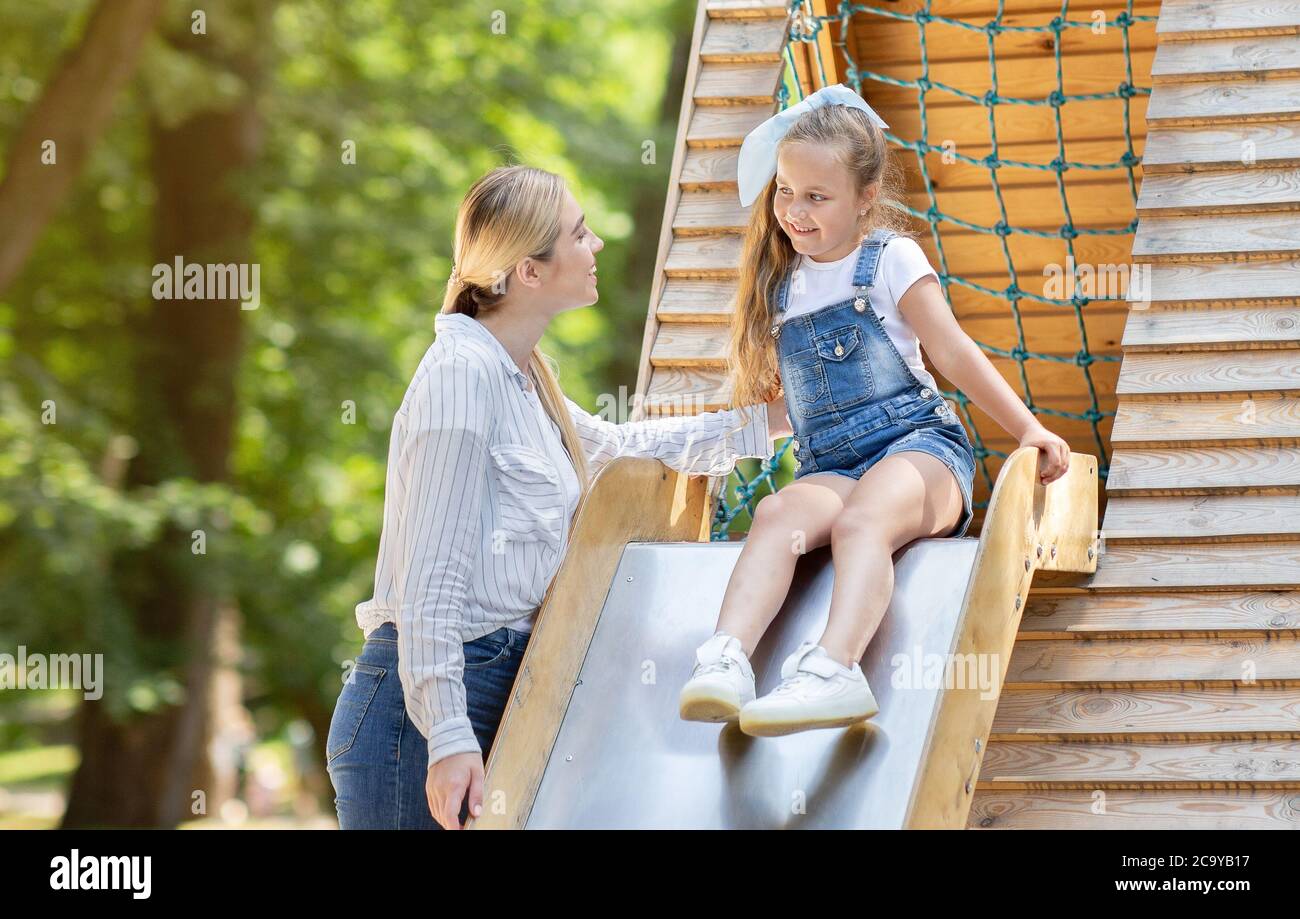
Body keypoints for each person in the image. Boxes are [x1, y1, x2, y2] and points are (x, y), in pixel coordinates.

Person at [326, 164, 791, 828]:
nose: (596, 244)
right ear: (530, 272)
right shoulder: (462, 378)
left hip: (492, 692)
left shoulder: (523, 378)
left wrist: (765, 422)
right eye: (579, 233)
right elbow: (432, 582)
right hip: (419, 718)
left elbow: (623, 447)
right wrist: (449, 736)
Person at [677, 83, 1070, 738]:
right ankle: (728, 657)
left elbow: (952, 349)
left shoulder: (889, 259)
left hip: (921, 452)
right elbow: (790, 412)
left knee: (865, 521)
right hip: (833, 465)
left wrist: (1028, 429)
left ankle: (835, 669)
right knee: (776, 513)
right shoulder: (783, 288)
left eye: (816, 196)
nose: (794, 212)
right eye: (784, 191)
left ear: (865, 198)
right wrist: (695, 439)